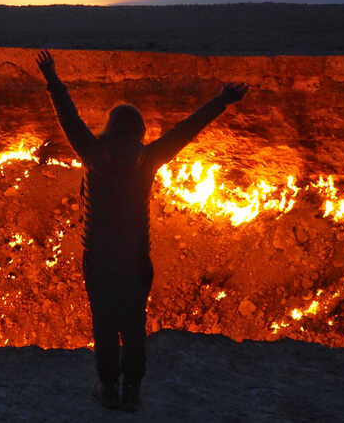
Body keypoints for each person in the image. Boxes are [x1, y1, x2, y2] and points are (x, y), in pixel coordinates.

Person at [36, 50, 248, 412]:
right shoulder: (148, 158)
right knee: (133, 324)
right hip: (135, 260)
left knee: (104, 323)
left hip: (99, 259)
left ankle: (108, 387)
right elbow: (187, 129)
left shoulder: (92, 152)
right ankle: (132, 389)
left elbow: (68, 117)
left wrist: (52, 78)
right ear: (138, 132)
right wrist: (222, 100)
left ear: (110, 127)